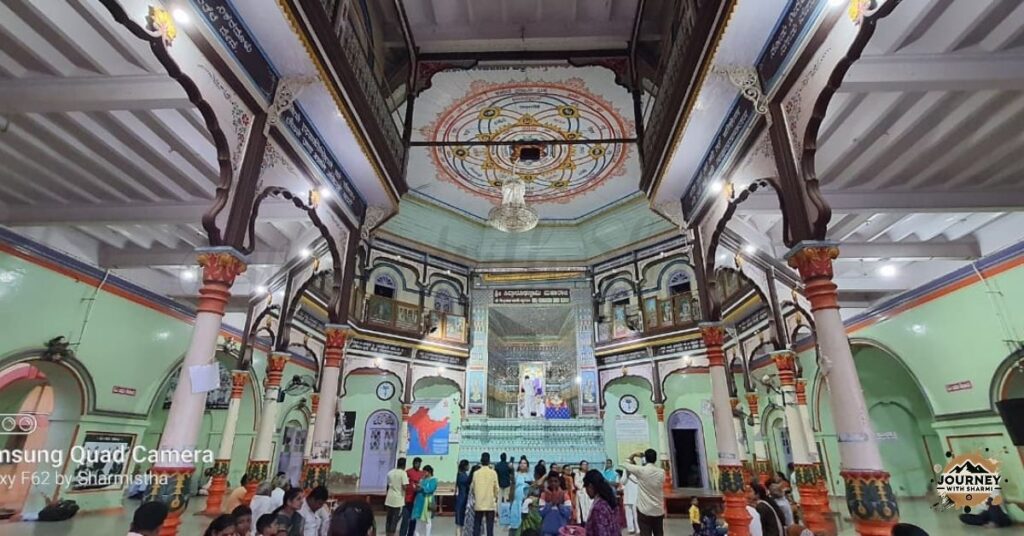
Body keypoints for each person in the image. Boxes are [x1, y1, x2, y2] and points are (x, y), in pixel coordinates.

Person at [622, 449, 665, 536]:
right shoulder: (662, 472)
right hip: (658, 509)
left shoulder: (641, 471)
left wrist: (633, 455)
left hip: (644, 510)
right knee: (659, 533)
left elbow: (625, 465)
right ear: (655, 459)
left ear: (645, 459)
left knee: (645, 533)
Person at [582, 470, 619, 536]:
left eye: (586, 488)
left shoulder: (598, 508)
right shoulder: (608, 501)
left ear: (590, 486)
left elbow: (601, 532)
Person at [472, 452, 500, 536]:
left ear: (481, 461)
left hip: (479, 503)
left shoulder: (476, 473)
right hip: (490, 503)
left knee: (477, 525)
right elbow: (497, 488)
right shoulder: (493, 473)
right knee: (489, 527)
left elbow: (473, 488)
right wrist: (494, 497)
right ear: (489, 461)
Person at [410, 465, 438, 536]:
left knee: (428, 520)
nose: (423, 473)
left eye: (425, 472)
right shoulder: (422, 480)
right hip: (419, 501)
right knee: (417, 518)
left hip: (427, 501)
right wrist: (416, 487)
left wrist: (422, 487)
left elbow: (430, 489)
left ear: (429, 472)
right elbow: (419, 489)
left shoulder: (434, 480)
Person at [386, 458, 410, 536]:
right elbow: (404, 487)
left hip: (389, 498)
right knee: (395, 519)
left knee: (389, 518)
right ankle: (392, 534)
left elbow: (388, 485)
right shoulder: (403, 473)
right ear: (404, 465)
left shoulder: (390, 472)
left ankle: (388, 533)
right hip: (398, 500)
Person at [402, 458, 425, 536]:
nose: (417, 465)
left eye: (419, 463)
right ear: (413, 463)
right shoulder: (408, 472)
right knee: (405, 519)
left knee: (413, 519)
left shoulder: (422, 473)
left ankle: (410, 534)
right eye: (416, 463)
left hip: (416, 500)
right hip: (407, 499)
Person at [508, 457, 530, 535]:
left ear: (527, 465)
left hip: (525, 501)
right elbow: (512, 483)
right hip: (516, 501)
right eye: (521, 463)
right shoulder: (516, 475)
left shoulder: (530, 476)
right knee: (515, 522)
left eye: (524, 463)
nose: (522, 465)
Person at [456, 460, 471, 536]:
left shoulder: (462, 474)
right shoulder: (462, 476)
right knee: (460, 521)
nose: (469, 467)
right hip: (462, 499)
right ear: (465, 466)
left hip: (462, 498)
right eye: (468, 465)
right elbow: (468, 482)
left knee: (461, 521)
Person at [620, 470, 638, 534]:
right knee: (628, 514)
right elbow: (622, 481)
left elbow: (637, 480)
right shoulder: (625, 472)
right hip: (627, 496)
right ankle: (631, 529)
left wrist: (630, 475)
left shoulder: (636, 471)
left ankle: (638, 529)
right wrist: (626, 475)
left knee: (636, 514)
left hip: (635, 496)